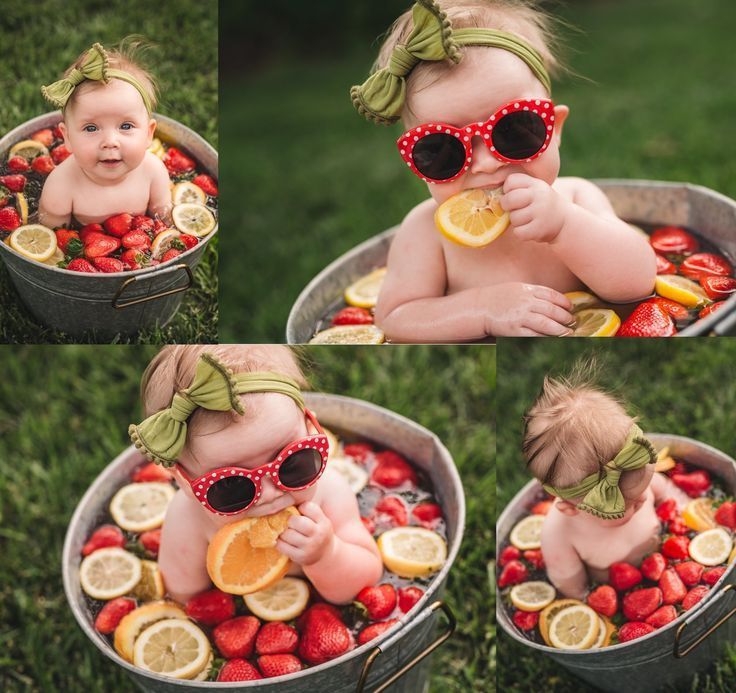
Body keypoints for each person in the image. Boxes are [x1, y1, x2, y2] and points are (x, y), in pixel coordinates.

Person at [351, 0, 656, 340]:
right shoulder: (425, 233)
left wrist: (565, 226)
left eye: (512, 130)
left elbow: (638, 283)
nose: (486, 163)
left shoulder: (577, 198)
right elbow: (394, 317)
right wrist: (483, 308)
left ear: (554, 128)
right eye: (443, 150)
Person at [129, 345, 383, 604]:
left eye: (293, 463)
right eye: (232, 487)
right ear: (183, 480)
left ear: (311, 430)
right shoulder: (188, 520)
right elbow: (184, 598)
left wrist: (327, 554)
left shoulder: (330, 492)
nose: (270, 493)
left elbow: (367, 580)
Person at [522, 371, 690, 599]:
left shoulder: (635, 475)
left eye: (643, 488)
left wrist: (690, 516)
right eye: (626, 505)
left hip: (666, 560)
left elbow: (674, 496)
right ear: (570, 508)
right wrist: (588, 603)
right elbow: (571, 584)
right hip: (615, 593)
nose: (642, 500)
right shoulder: (559, 534)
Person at [38, 42, 172, 228]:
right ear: (67, 137)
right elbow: (50, 239)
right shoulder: (60, 185)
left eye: (126, 126)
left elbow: (166, 224)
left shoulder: (154, 173)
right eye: (91, 128)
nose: (110, 142)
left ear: (149, 134)